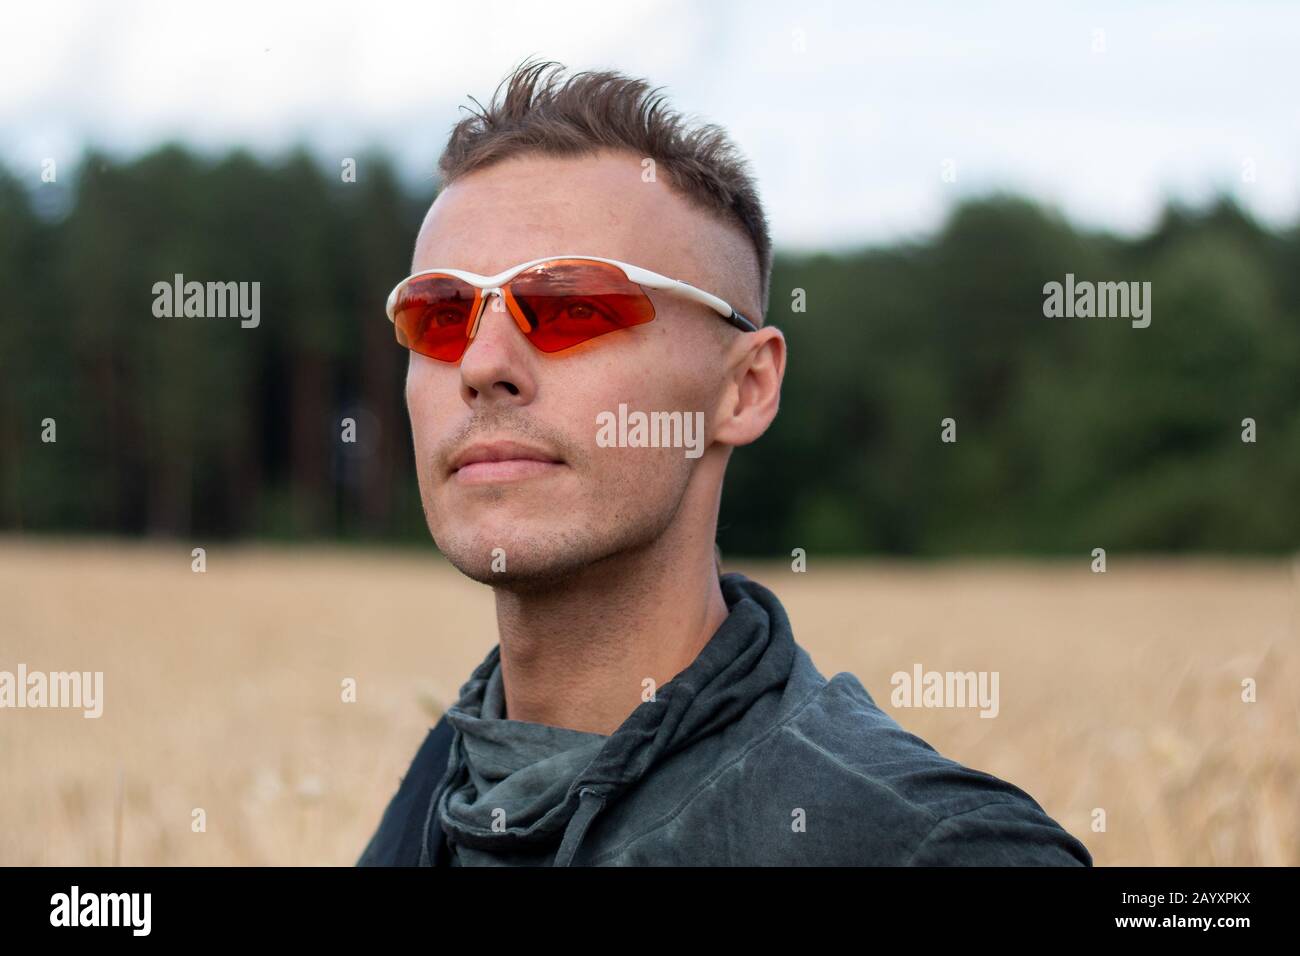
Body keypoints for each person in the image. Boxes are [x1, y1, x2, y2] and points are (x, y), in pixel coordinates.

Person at [357, 58, 1092, 867]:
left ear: (744, 388)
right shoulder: (436, 793)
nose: (481, 363)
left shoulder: (927, 849)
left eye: (572, 306)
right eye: (441, 315)